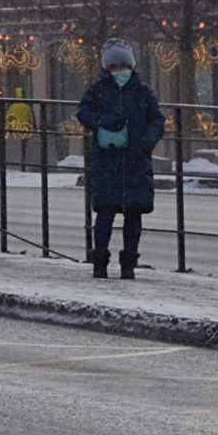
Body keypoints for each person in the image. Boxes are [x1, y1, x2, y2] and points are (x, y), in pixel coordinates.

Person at [75, 40, 167, 280]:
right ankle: (104, 262)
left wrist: (145, 142)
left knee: (128, 214)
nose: (119, 70)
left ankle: (125, 263)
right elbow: (83, 113)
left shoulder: (133, 91)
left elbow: (157, 120)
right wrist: (103, 122)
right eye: (115, 65)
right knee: (109, 213)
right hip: (114, 161)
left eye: (122, 64)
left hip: (127, 161)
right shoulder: (114, 90)